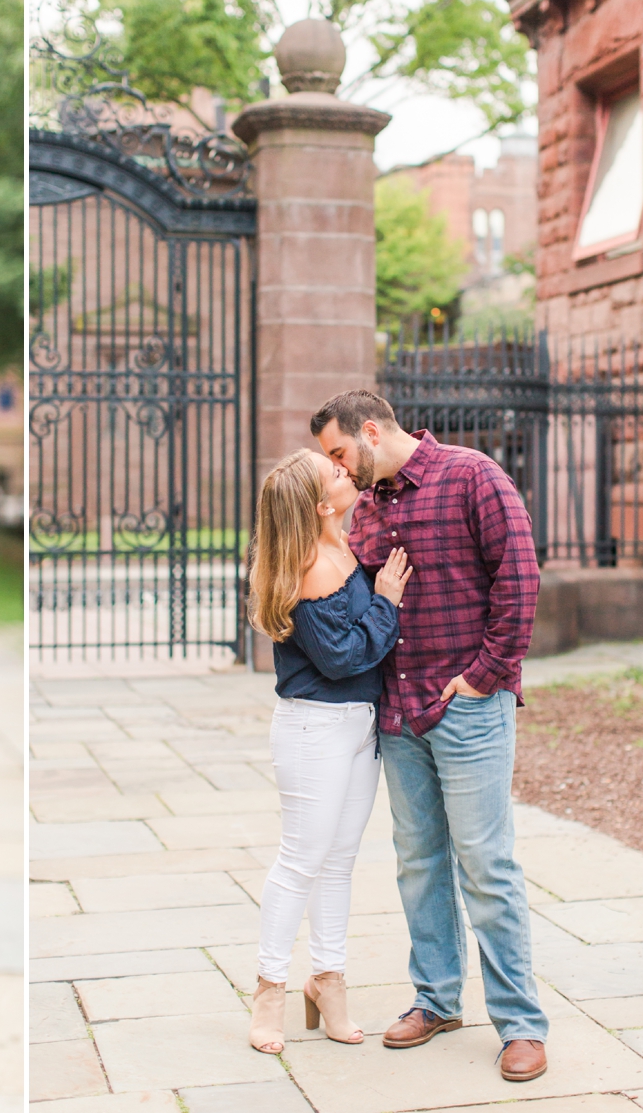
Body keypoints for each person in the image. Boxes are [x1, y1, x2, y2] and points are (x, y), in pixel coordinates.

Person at [312, 389, 548, 1083]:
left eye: (337, 453)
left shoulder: (472, 474)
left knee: (486, 863)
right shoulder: (368, 505)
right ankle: (438, 999)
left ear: (372, 430)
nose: (337, 468)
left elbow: (520, 575)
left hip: (468, 705)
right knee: (418, 861)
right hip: (400, 711)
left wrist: (487, 672)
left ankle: (522, 1024)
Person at [245, 448, 412, 1055]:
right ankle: (270, 991)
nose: (349, 472)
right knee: (300, 862)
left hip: (357, 724)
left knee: (338, 862)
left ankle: (328, 981)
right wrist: (387, 602)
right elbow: (342, 658)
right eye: (337, 472)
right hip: (314, 728)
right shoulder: (312, 565)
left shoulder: (342, 546)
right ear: (319, 504)